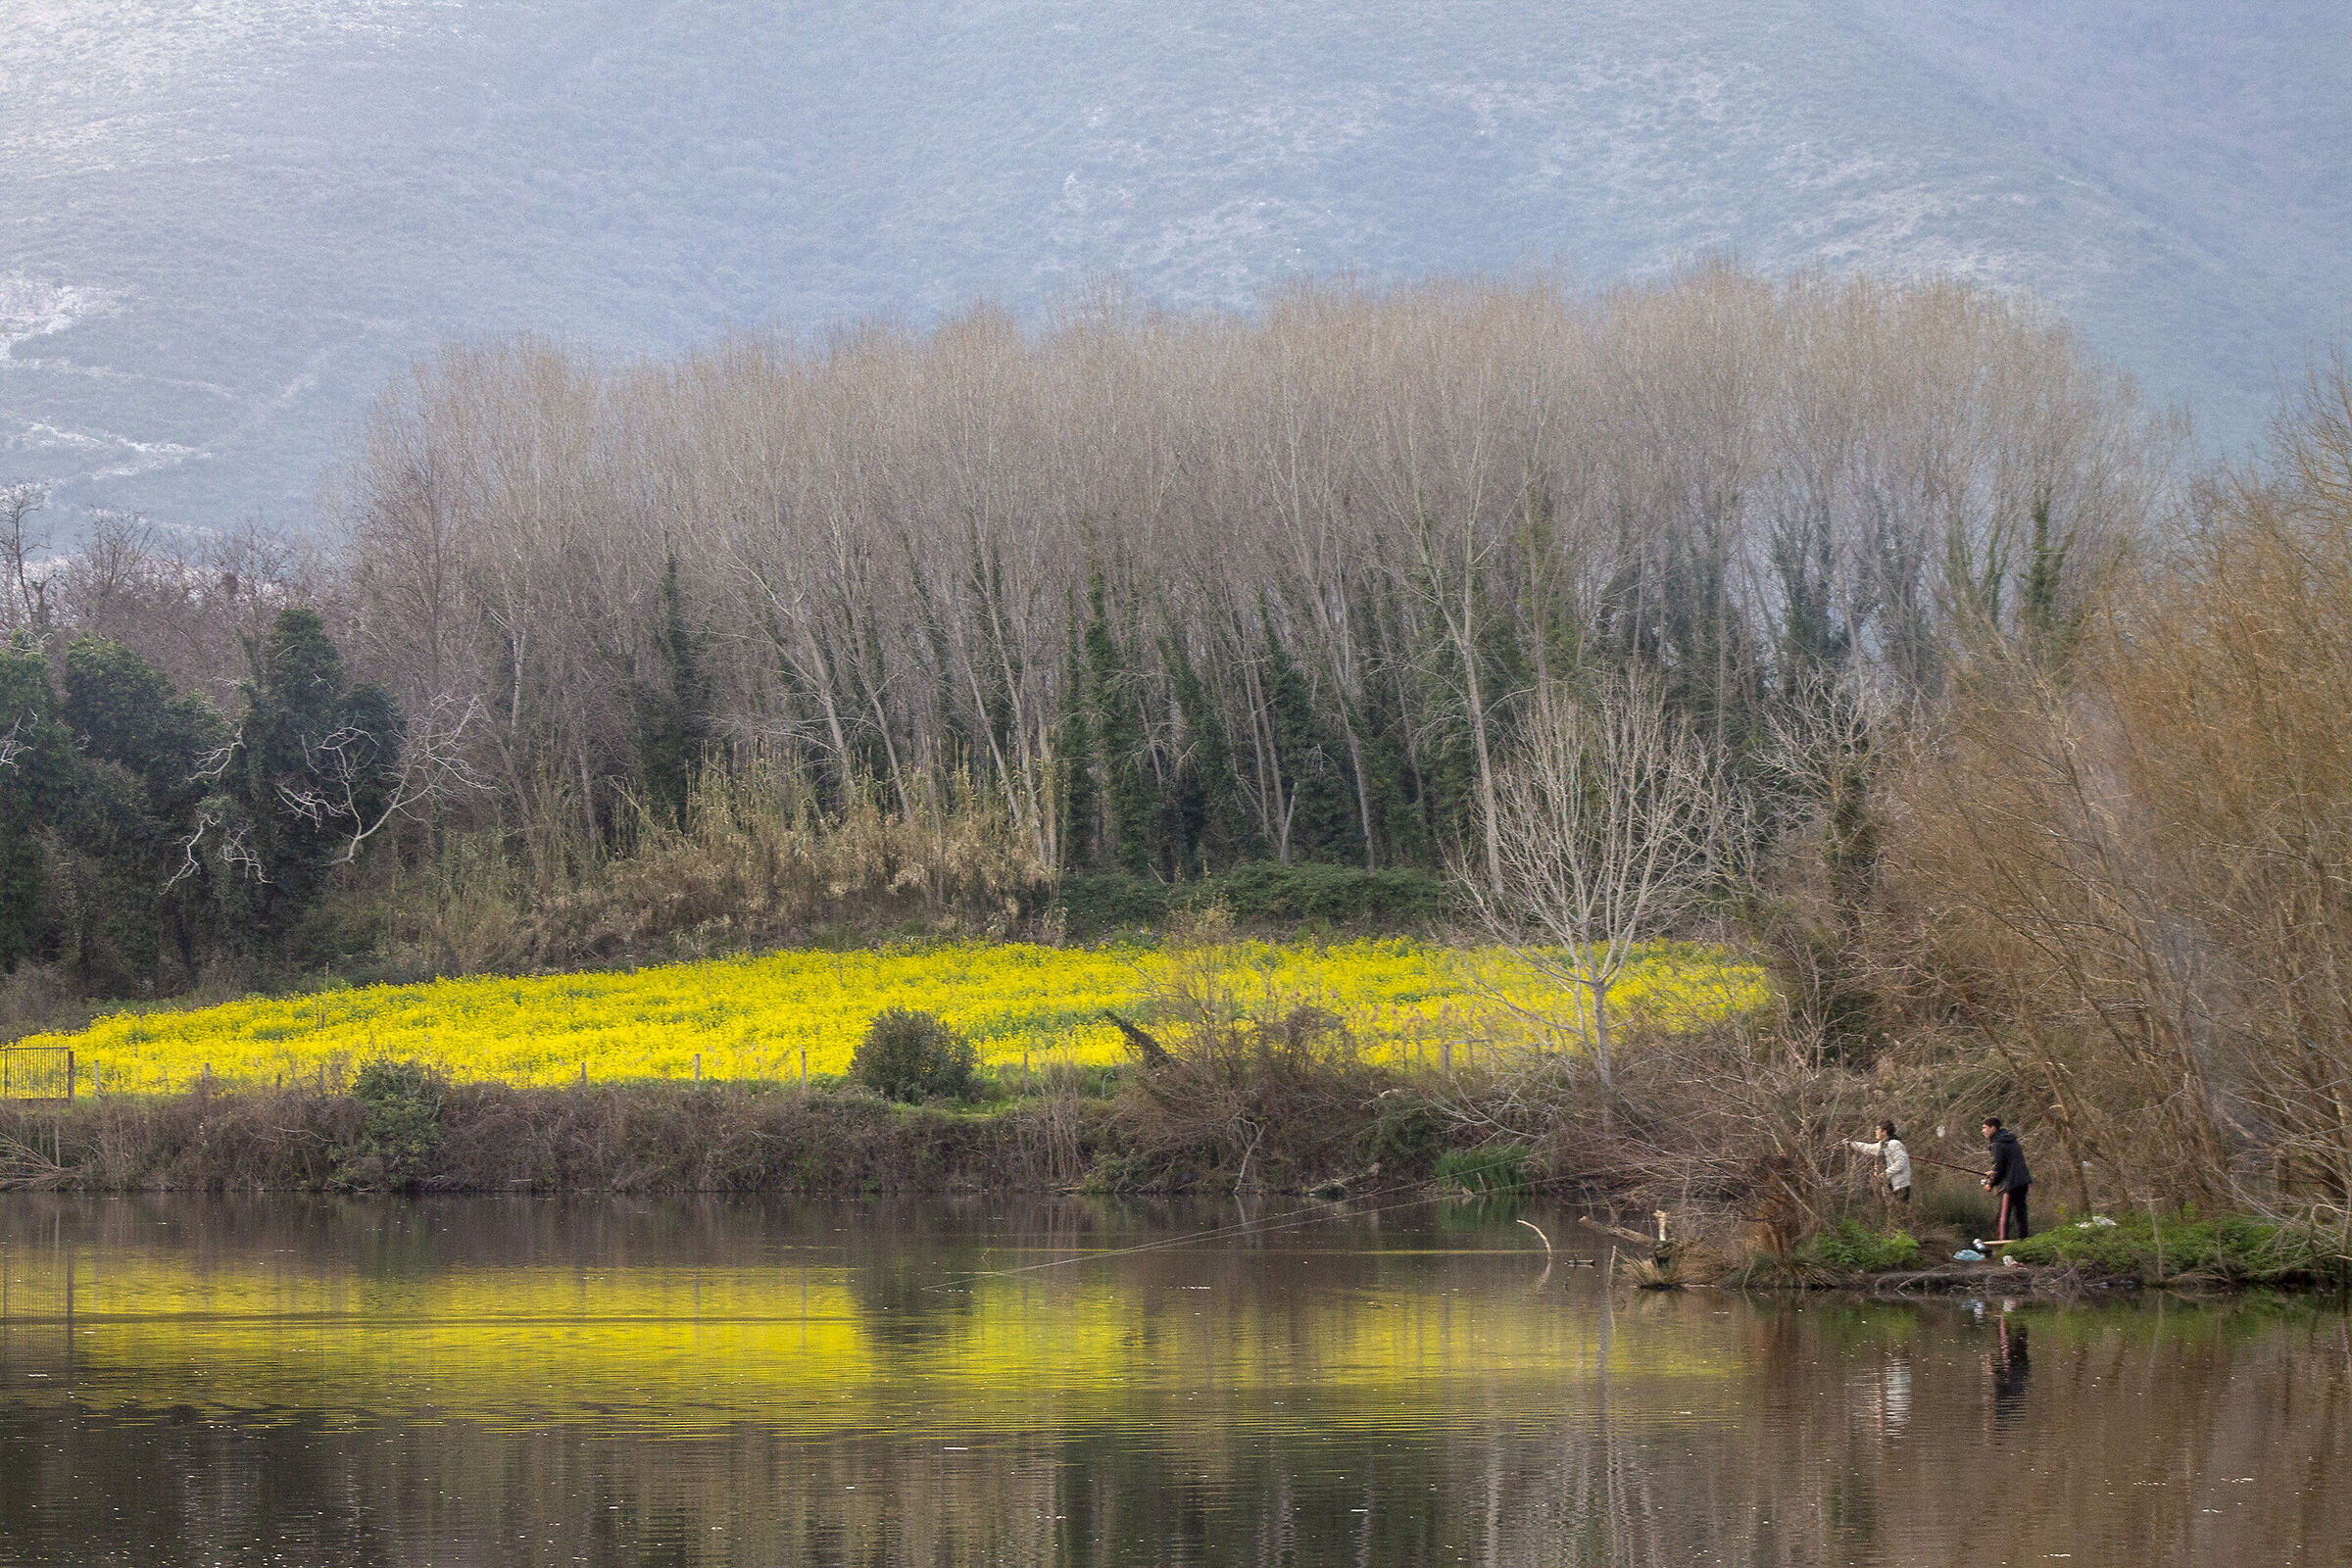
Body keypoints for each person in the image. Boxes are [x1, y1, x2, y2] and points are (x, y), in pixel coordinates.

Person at [1983, 1116, 2033, 1240]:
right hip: (2022, 1181)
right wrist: (1993, 1172)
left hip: (2010, 1185)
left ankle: (2002, 1243)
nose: (1983, 1131)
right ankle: (2024, 1240)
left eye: (1984, 1128)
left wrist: (1991, 1183)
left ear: (1992, 1128)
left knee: (2003, 1216)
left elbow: (2000, 1167)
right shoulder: (2010, 1139)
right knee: (2021, 1214)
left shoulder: (1997, 1144)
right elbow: (2007, 1164)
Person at [1847, 1121, 1912, 1206]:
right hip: (1890, 1186)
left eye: (1878, 1129)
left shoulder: (1894, 1144)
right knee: (1893, 1211)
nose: (1875, 1131)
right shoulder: (1882, 1145)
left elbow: (1901, 1162)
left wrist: (1885, 1174)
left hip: (1899, 1186)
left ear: (1884, 1132)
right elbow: (1867, 1148)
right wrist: (1850, 1144)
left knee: (1901, 1211)